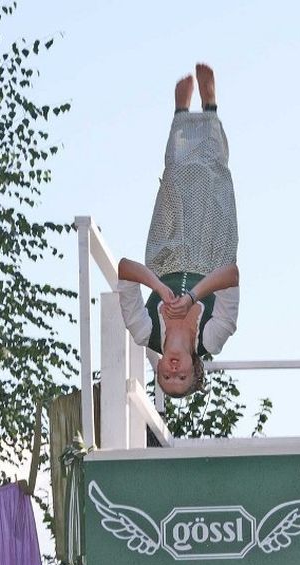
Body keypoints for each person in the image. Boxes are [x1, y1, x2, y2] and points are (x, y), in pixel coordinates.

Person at [117, 64, 239, 398]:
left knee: (173, 177)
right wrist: (192, 298)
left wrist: (158, 286)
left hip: (164, 255)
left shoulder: (144, 331)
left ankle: (180, 114)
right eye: (181, 378)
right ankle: (211, 107)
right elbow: (231, 274)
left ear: (157, 369)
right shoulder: (212, 338)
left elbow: (125, 268)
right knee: (213, 177)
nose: (173, 372)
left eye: (166, 379)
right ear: (193, 369)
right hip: (212, 252)